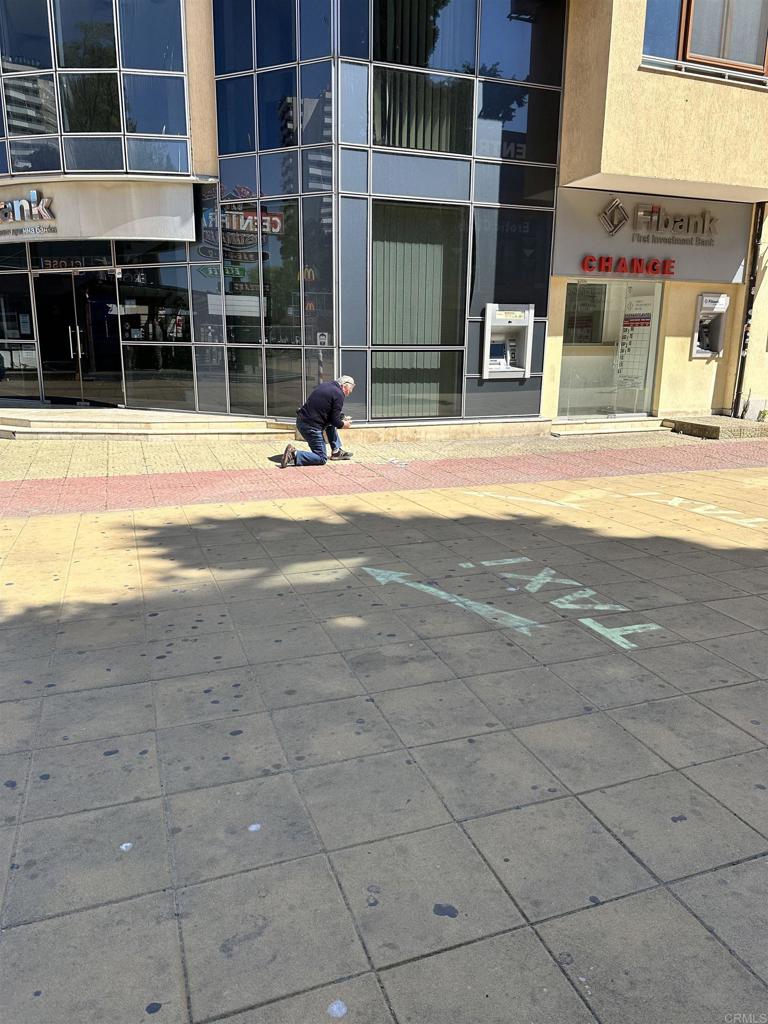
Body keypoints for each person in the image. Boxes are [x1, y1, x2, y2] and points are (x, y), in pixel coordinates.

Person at [281, 375, 355, 467]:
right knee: (321, 458)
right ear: (345, 385)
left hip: (302, 420)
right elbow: (335, 422)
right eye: (351, 388)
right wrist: (344, 424)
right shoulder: (339, 394)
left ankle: (336, 451)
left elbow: (325, 411)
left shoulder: (326, 385)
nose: (350, 392)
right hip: (310, 427)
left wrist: (340, 417)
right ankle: (293, 454)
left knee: (331, 425)